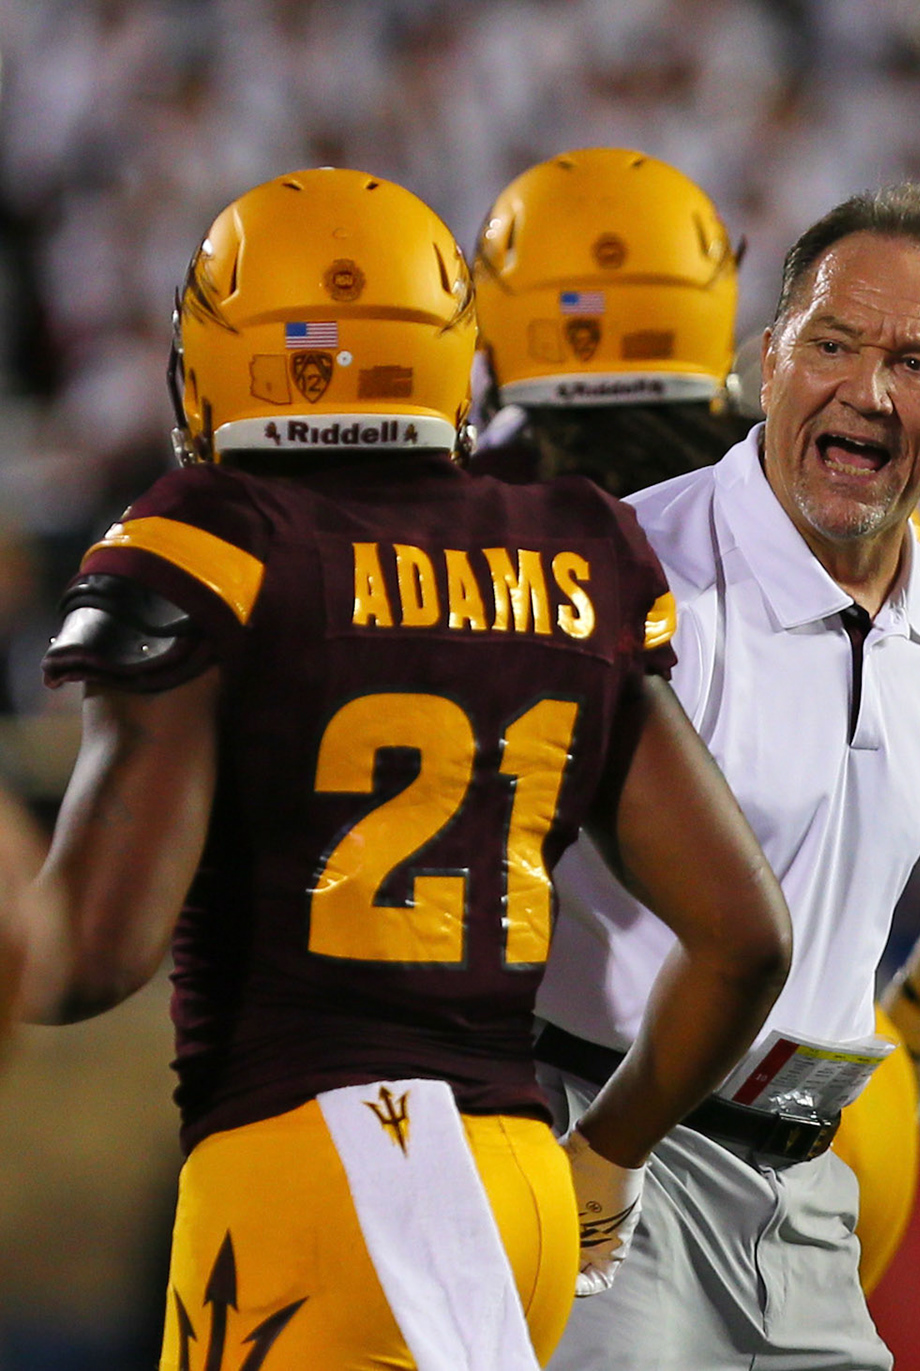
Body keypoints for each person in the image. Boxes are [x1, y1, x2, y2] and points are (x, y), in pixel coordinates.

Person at [5, 168, 792, 1369]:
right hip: (519, 1177)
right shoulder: (570, 543)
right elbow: (746, 936)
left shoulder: (214, 542)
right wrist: (610, 1155)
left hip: (322, 1166)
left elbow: (88, 952)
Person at [470, 150, 920, 1299]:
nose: (867, 385)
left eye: (912, 360)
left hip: (698, 1128)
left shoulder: (509, 537)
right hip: (702, 1115)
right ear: (754, 340)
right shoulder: (763, 533)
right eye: (836, 344)